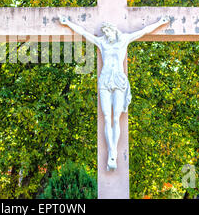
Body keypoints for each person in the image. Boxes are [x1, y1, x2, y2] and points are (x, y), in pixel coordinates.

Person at [59, 15, 169, 170]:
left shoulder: (124, 39)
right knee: (106, 117)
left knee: (116, 118)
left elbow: (143, 31)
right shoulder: (101, 42)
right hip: (104, 80)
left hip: (118, 80)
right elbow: (83, 33)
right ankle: (111, 151)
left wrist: (159, 23)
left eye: (108, 33)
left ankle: (113, 152)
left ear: (113, 31)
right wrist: (68, 23)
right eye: (104, 33)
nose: (106, 36)